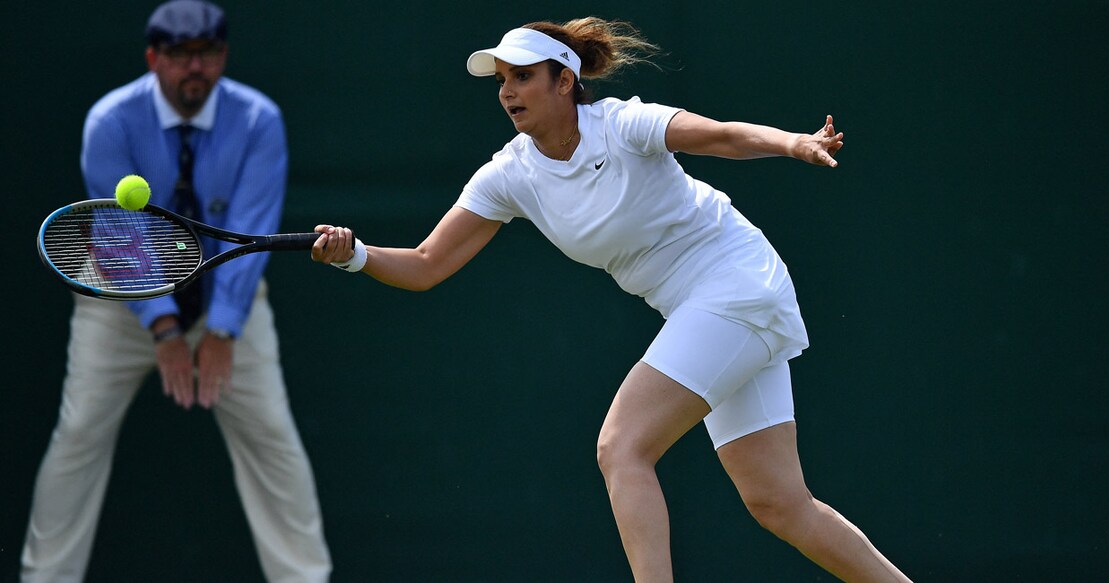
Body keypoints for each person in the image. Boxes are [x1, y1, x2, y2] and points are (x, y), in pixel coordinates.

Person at [312, 17, 911, 583]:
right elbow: (424, 264)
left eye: (522, 76)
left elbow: (721, 137)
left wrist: (793, 144)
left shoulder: (623, 124)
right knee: (780, 504)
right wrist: (356, 255)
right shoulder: (508, 174)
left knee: (621, 446)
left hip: (735, 282)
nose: (508, 93)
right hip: (713, 306)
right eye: (501, 81)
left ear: (565, 80)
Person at [21, 1, 331, 581]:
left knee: (274, 439)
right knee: (79, 433)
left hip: (228, 302)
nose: (197, 68)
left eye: (209, 54)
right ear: (153, 59)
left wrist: (221, 329)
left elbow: (253, 226)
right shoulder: (110, 122)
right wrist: (164, 328)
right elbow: (119, 236)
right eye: (181, 56)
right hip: (120, 301)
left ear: (224, 58)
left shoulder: (259, 121)